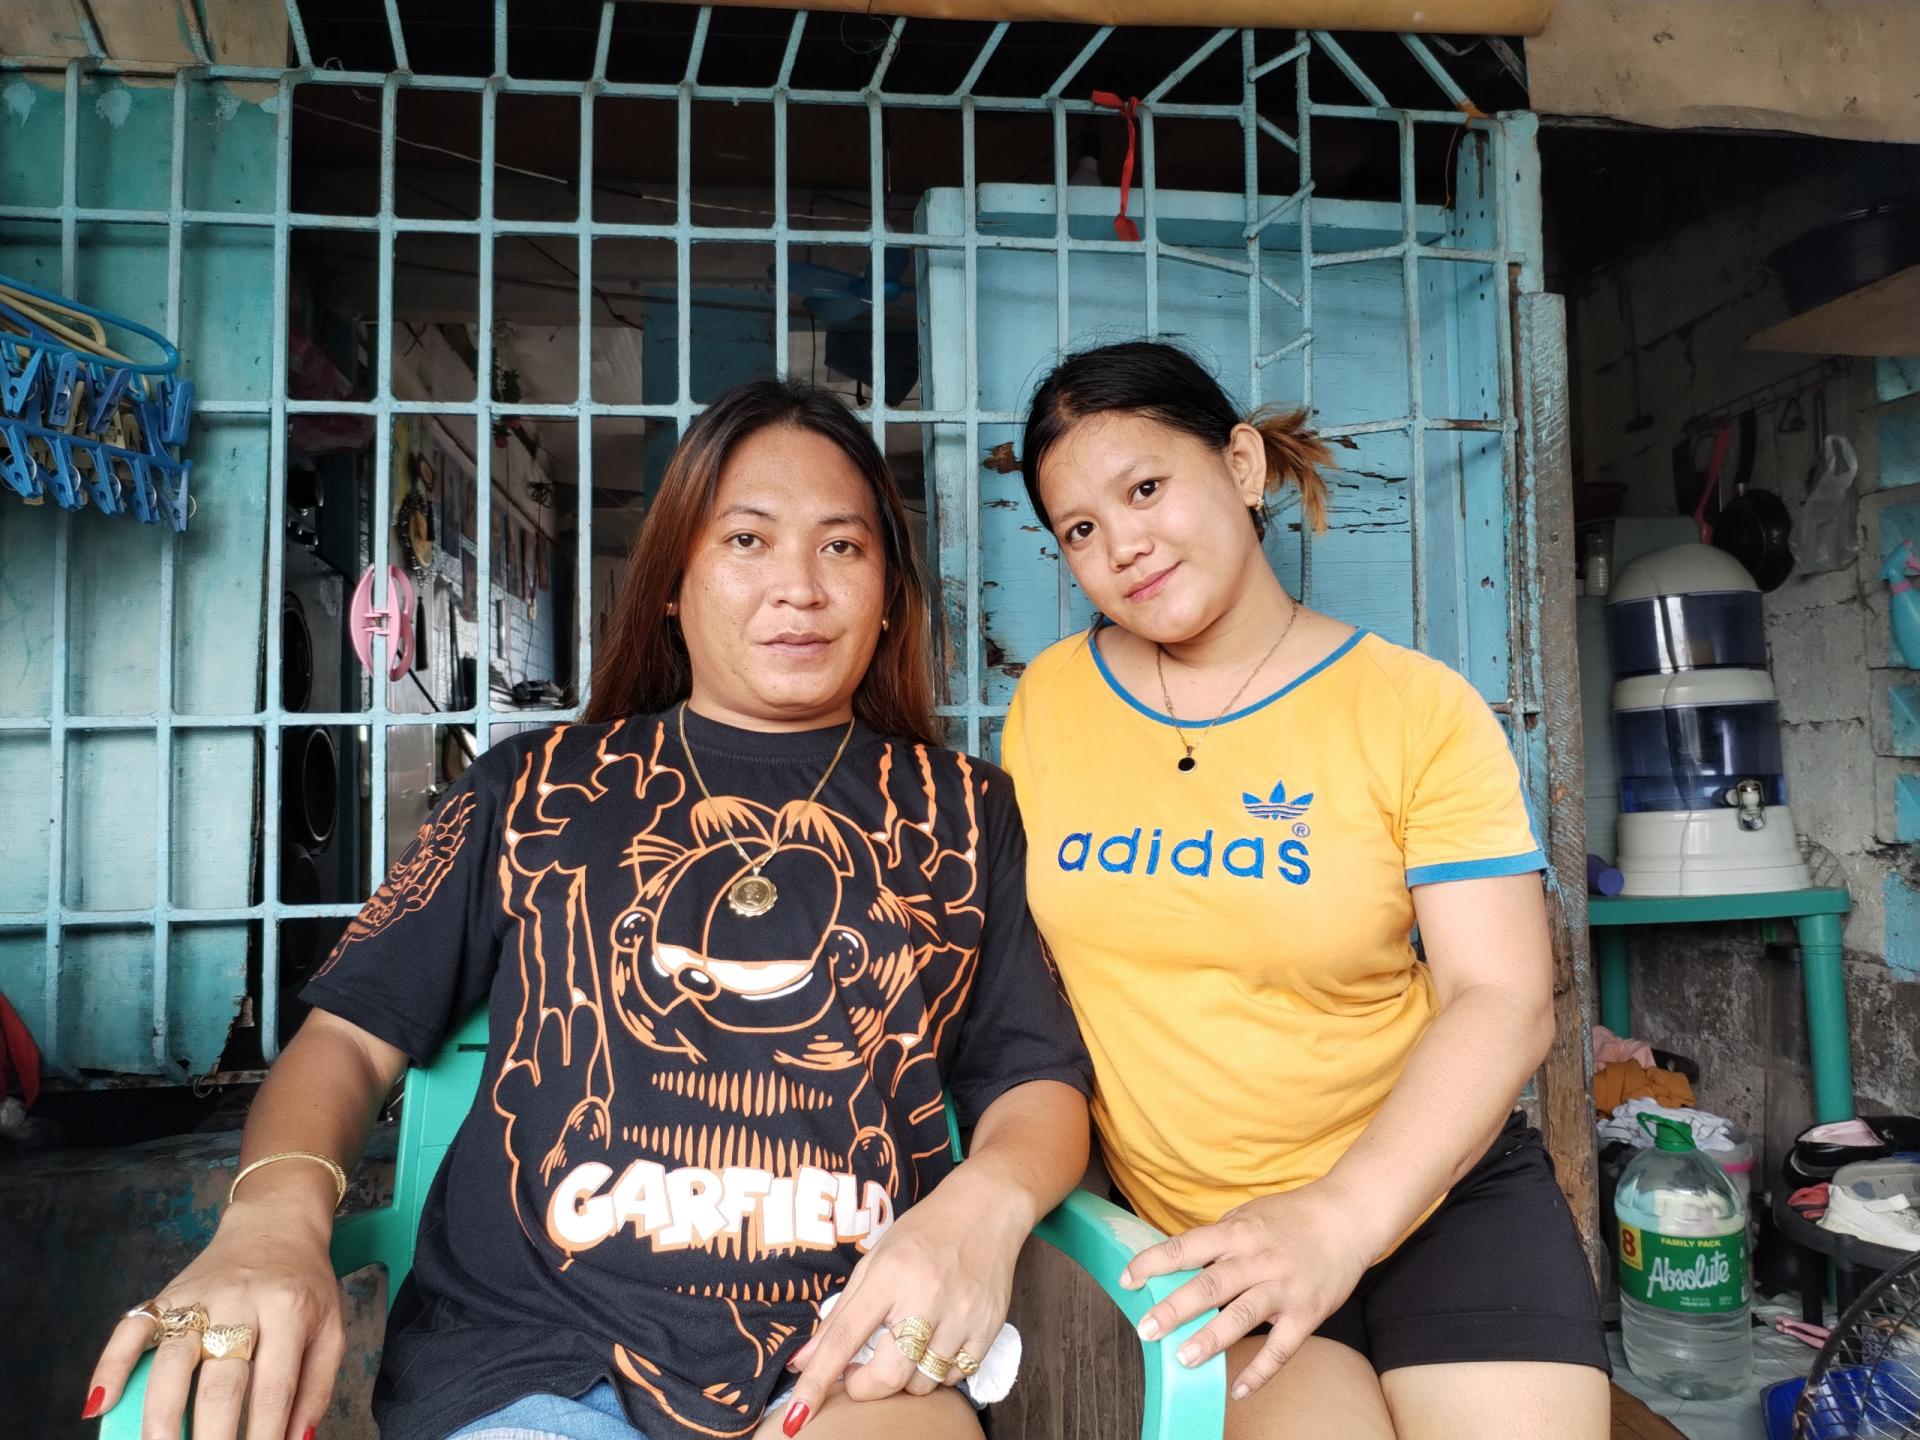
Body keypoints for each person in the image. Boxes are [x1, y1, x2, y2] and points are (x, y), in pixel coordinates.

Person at [86, 378, 1093, 1440]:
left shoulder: (962, 813)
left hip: (846, 1359)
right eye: (746, 540)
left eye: (842, 547)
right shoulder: (535, 789)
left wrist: (985, 1205)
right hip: (538, 1362)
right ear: (672, 584)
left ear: (888, 590)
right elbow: (347, 1036)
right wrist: (274, 1216)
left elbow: (1035, 1077)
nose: (798, 587)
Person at [1001, 341, 1609, 1440]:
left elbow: (1505, 997)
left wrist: (1339, 1217)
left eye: (1146, 488)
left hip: (1437, 1195)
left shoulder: (1415, 708)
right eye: (1079, 529)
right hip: (1217, 1245)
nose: (1122, 545)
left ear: (1241, 465)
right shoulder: (1049, 702)